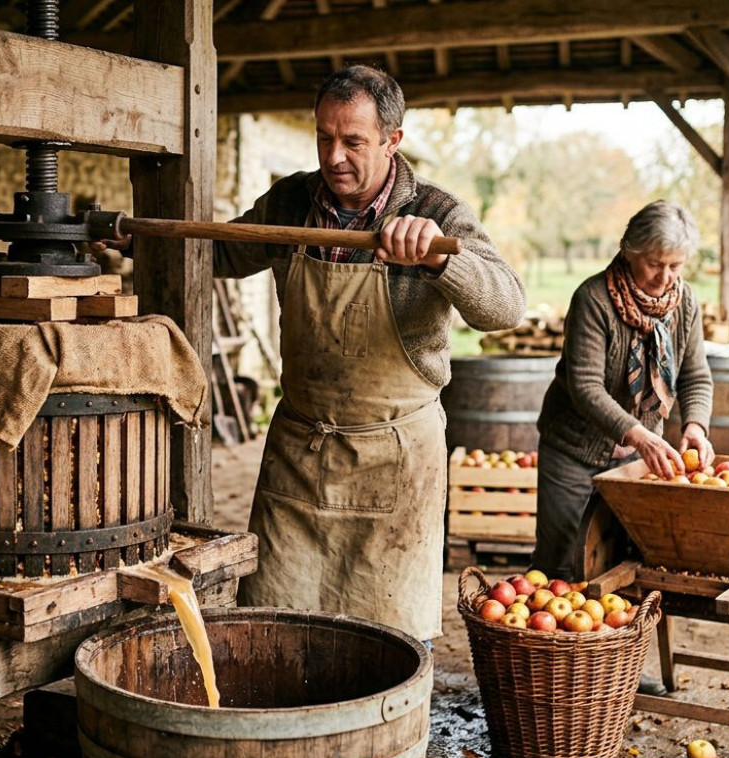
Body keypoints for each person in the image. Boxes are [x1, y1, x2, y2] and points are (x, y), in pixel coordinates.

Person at [209, 66, 526, 643]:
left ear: (392, 140)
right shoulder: (293, 201)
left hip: (395, 457)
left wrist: (439, 260)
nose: (334, 157)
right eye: (324, 138)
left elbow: (505, 307)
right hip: (301, 452)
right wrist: (141, 243)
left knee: (386, 640)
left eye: (353, 141)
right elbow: (224, 253)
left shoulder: (438, 211)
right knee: (277, 627)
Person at [531, 200, 714, 582]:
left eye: (675, 266)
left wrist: (696, 426)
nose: (666, 278)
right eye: (655, 263)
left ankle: (614, 645)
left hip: (637, 458)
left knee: (626, 563)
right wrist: (639, 435)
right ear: (631, 251)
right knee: (561, 565)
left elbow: (695, 375)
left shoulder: (685, 303)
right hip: (574, 453)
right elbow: (585, 387)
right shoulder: (593, 299)